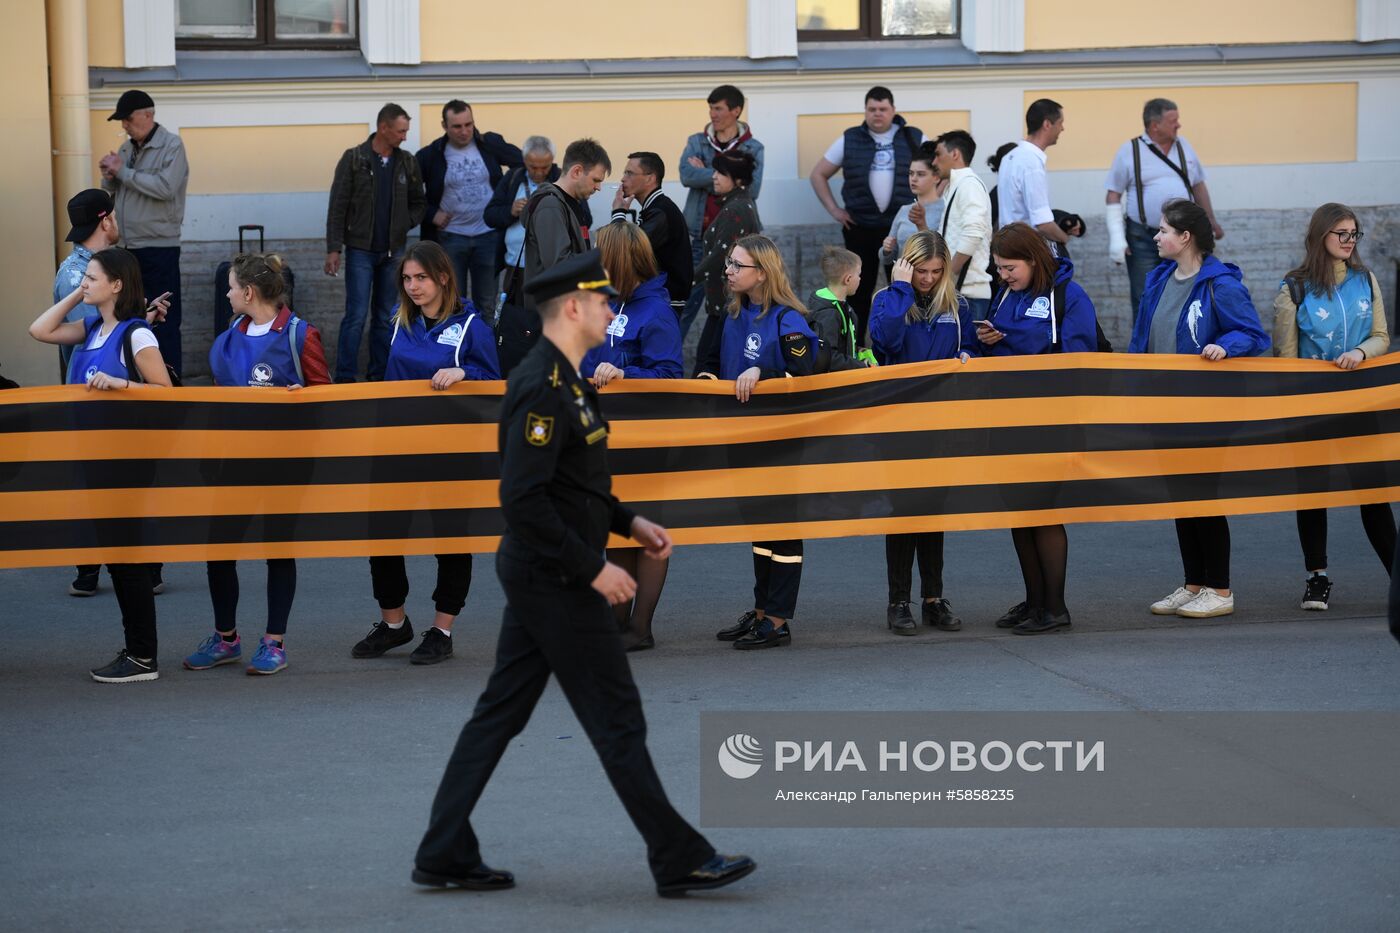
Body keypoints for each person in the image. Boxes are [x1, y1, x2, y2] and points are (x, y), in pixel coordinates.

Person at [413, 249, 755, 897]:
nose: (609, 308)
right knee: (617, 716)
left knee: (500, 713)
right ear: (572, 308)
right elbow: (524, 499)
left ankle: (442, 848)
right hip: (556, 577)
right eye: (600, 299)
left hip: (547, 570)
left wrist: (629, 522)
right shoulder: (542, 383)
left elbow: (574, 481)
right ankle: (678, 854)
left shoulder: (568, 378)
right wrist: (595, 566)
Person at [350, 241, 500, 666]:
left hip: (452, 453)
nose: (413, 286)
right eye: (407, 279)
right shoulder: (399, 321)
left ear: (443, 278)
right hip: (397, 446)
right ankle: (394, 624)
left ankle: (442, 629)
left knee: (449, 539)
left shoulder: (473, 326)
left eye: (421, 278)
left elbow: (495, 383)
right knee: (383, 534)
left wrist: (466, 373)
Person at [28, 246, 173, 683]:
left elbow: (166, 392)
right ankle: (137, 651)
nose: (83, 283)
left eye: (91, 278)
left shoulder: (136, 335)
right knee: (117, 558)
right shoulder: (92, 328)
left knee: (128, 559)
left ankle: (143, 656)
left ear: (117, 285)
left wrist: (121, 383)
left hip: (126, 462)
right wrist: (78, 296)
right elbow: (39, 329)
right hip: (95, 459)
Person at [185, 254, 330, 677]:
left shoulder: (301, 335)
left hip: (285, 464)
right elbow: (218, 397)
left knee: (277, 550)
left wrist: (303, 398)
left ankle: (274, 642)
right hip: (234, 462)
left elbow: (326, 398)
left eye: (230, 287)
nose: (226, 293)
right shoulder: (231, 332)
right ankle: (226, 638)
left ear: (248, 293)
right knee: (219, 549)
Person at [1127, 199, 1269, 620]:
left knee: (1204, 496)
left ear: (1185, 237)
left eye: (1163, 230)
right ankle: (1193, 583)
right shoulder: (1159, 279)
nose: (1156, 236)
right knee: (1181, 498)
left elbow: (1253, 334)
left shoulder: (1220, 284)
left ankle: (1220, 588)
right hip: (1163, 407)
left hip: (1205, 409)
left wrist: (1227, 346)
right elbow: (1142, 340)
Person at [978, 223, 1099, 634]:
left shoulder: (1069, 295)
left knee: (1043, 511)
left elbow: (1078, 359)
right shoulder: (1007, 295)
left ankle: (1055, 607)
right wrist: (984, 343)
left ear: (1034, 259)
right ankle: (1034, 601)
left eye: (1009, 267)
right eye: (998, 268)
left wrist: (1006, 342)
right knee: (1020, 512)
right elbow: (999, 348)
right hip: (1010, 418)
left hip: (1052, 419)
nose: (1002, 276)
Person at [1272, 203, 1393, 611]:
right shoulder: (1295, 286)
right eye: (1341, 233)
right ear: (1319, 235)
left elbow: (1381, 336)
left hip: (1361, 403)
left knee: (1373, 493)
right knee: (1312, 494)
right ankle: (1317, 578)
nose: (1349, 241)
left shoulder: (1366, 279)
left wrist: (1360, 352)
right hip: (1313, 407)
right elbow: (1285, 358)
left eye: (1354, 233)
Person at [698, 235, 817, 650]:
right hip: (739, 437)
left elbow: (803, 374)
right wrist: (704, 388)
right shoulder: (729, 315)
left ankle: (779, 620)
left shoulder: (788, 319)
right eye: (728, 264)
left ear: (762, 273)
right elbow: (709, 367)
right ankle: (763, 610)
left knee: (781, 529)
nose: (727, 271)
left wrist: (761, 376)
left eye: (737, 265)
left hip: (780, 441)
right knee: (760, 528)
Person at [868, 231, 976, 635]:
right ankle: (899, 601)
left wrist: (970, 356)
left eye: (935, 271)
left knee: (933, 512)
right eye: (920, 271)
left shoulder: (958, 305)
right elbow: (884, 343)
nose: (927, 279)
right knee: (902, 515)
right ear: (906, 266)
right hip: (897, 425)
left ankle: (933, 597)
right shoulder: (887, 300)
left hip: (941, 424)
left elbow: (971, 354)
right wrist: (899, 290)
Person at [582, 223, 684, 651]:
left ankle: (640, 628)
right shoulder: (605, 302)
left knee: (647, 533)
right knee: (616, 528)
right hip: (606, 436)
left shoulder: (656, 311)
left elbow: (671, 376)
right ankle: (616, 622)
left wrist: (628, 374)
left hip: (646, 438)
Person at [54, 189, 127, 599]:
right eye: (114, 214)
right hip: (94, 395)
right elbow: (94, 334)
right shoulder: (77, 274)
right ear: (105, 221)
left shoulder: (96, 267)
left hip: (108, 391)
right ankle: (90, 569)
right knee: (97, 484)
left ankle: (130, 566)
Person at [810, 86, 924, 343]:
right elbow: (818, 174)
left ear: (893, 110)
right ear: (865, 111)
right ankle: (856, 345)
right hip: (860, 228)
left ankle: (905, 343)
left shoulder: (913, 137)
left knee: (907, 287)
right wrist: (834, 210)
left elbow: (937, 171)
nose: (877, 114)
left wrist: (926, 207)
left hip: (901, 229)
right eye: (872, 109)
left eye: (883, 109)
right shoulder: (850, 138)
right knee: (858, 291)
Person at [325, 103, 427, 382]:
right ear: (383, 128)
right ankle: (345, 377)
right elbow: (338, 205)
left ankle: (379, 376)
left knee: (385, 317)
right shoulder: (355, 158)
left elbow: (420, 202)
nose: (405, 136)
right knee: (355, 316)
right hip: (360, 251)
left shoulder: (407, 161)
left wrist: (404, 222)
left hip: (395, 253)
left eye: (406, 130)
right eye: (400, 131)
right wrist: (334, 248)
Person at [496, 138, 610, 376]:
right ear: (577, 171)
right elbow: (559, 265)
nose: (598, 187)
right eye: (596, 179)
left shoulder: (567, 203)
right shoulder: (551, 205)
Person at [1106, 99, 1224, 325]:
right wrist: (1117, 239)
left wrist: (1211, 220)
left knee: (1188, 290)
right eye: (1173, 121)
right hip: (1143, 237)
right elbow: (1113, 195)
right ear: (1154, 126)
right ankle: (1145, 353)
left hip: (1185, 237)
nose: (1178, 125)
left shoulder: (1184, 146)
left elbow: (1198, 185)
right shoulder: (1130, 151)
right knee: (1145, 295)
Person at [99, 89, 189, 376]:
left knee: (164, 317)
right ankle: (140, 379)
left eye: (127, 118)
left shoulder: (172, 146)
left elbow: (165, 188)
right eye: (121, 121)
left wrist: (123, 172)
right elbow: (115, 190)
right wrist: (109, 175)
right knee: (134, 318)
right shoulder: (127, 149)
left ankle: (170, 384)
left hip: (158, 247)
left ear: (148, 115)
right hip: (128, 248)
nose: (124, 125)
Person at [416, 100, 523, 317]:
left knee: (487, 304)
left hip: (488, 236)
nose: (464, 131)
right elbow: (410, 195)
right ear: (444, 126)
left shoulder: (488, 145)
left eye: (469, 124)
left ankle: (484, 350)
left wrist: (506, 205)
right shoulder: (431, 154)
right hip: (450, 238)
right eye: (457, 126)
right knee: (454, 303)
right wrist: (430, 214)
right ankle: (458, 349)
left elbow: (522, 162)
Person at [678, 85, 765, 343]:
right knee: (684, 307)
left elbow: (753, 187)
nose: (712, 114)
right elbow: (685, 175)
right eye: (711, 108)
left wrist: (704, 170)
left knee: (730, 308)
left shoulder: (754, 147)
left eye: (718, 108)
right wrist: (722, 172)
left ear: (736, 111)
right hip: (697, 235)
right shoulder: (697, 140)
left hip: (735, 246)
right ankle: (667, 362)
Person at [692, 151, 761, 376]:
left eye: (721, 173)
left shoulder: (736, 209)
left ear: (738, 180)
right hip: (726, 304)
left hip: (727, 305)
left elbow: (719, 257)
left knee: (705, 367)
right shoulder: (737, 203)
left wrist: (687, 281)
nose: (714, 177)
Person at [611, 151, 693, 308]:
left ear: (650, 178)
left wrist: (618, 213)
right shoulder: (656, 208)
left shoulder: (660, 212)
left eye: (629, 173)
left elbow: (623, 250)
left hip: (665, 301)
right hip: (659, 297)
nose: (623, 178)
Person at [928, 130, 994, 320]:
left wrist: (947, 276)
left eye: (938, 154)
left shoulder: (969, 185)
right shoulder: (958, 185)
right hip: (960, 292)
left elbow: (973, 234)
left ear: (955, 154)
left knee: (966, 350)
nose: (934, 162)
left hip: (969, 295)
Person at [995, 99, 1069, 253]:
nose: (1062, 129)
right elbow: (1043, 224)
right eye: (1060, 123)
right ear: (1047, 124)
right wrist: (1064, 239)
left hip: (1009, 245)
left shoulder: (1010, 157)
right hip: (1026, 250)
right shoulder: (1031, 163)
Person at [485, 136, 562, 281]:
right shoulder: (513, 177)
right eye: (533, 167)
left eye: (545, 167)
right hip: (515, 265)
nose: (539, 173)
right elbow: (489, 216)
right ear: (525, 160)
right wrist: (511, 211)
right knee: (514, 304)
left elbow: (584, 218)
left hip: (551, 266)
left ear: (552, 161)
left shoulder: (561, 180)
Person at [881, 142, 946, 273]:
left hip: (931, 282)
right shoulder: (904, 210)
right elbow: (886, 259)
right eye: (911, 173)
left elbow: (944, 253)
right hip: (903, 281)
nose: (913, 179)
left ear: (936, 177)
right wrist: (887, 249)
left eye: (921, 174)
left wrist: (922, 225)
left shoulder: (945, 209)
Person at [806, 246, 873, 372]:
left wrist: (859, 351)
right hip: (836, 386)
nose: (860, 278)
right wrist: (862, 366)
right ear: (847, 279)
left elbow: (841, 344)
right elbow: (829, 358)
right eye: (858, 274)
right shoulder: (828, 314)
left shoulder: (841, 305)